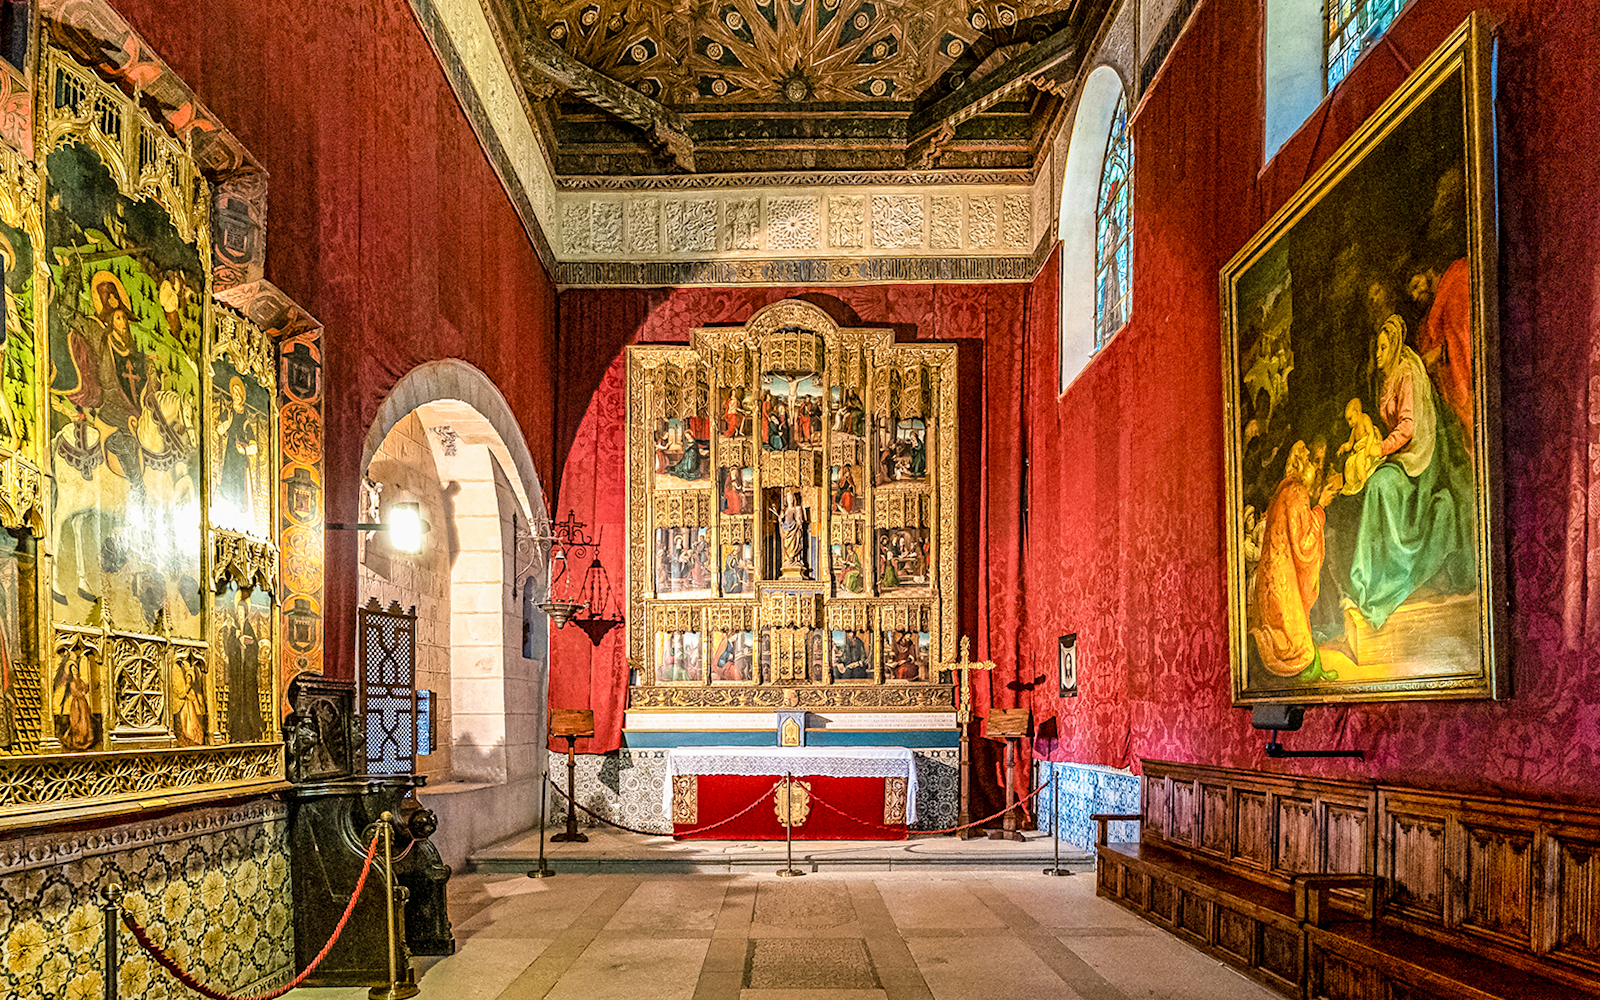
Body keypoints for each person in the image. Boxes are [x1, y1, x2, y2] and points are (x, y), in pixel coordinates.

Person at [1341, 305, 1476, 630]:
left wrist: (1380, 449)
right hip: (1399, 455)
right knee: (1372, 483)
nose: (1378, 353)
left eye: (1383, 347)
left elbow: (1408, 427)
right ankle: (1372, 580)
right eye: (1377, 348)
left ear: (1395, 346)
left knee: (1380, 485)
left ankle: (1389, 577)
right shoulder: (1388, 377)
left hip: (1419, 461)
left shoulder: (1406, 374)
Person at [1248, 440, 1340, 677]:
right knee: (1298, 649)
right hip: (1284, 575)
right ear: (1301, 464)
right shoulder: (1297, 492)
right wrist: (1320, 507)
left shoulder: (1284, 491)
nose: (1315, 467)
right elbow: (1304, 544)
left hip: (1273, 572)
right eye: (1311, 461)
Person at [1408, 255, 1473, 455]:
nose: (1416, 295)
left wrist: (1440, 352)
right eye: (1412, 293)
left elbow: (1467, 334)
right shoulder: (1432, 318)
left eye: (1416, 285)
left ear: (1428, 270)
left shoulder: (1456, 282)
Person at [1335, 397, 1383, 495]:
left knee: (1359, 461)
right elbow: (1349, 444)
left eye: (1350, 418)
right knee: (1348, 463)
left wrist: (1367, 450)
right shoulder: (1354, 429)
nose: (1350, 423)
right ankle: (1352, 484)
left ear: (1357, 412)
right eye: (1348, 421)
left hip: (1369, 447)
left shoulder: (1365, 418)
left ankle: (1363, 480)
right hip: (1360, 450)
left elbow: (1371, 434)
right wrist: (1343, 447)